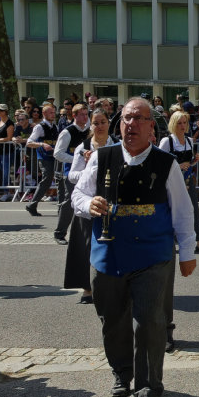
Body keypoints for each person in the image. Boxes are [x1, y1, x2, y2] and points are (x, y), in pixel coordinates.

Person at [72, 98, 197, 397]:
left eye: (139, 119)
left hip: (153, 254)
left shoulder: (165, 163)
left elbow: (183, 212)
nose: (131, 124)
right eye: (126, 118)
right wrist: (90, 205)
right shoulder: (102, 157)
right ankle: (121, 372)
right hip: (108, 252)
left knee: (150, 322)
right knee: (112, 320)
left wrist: (187, 252)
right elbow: (78, 195)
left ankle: (149, 389)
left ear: (151, 128)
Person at [64, 109, 114, 304]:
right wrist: (89, 168)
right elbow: (71, 175)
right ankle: (87, 288)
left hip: (110, 201)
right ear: (90, 125)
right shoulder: (82, 147)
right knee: (86, 245)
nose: (99, 126)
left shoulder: (116, 144)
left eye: (102, 122)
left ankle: (110, 285)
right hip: (88, 200)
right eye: (95, 123)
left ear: (108, 123)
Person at [158, 110, 199, 254]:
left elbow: (189, 164)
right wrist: (178, 166)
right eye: (179, 123)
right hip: (173, 181)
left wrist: (194, 161)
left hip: (187, 179)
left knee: (193, 210)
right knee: (173, 211)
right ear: (173, 124)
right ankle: (170, 242)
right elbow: (160, 162)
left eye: (184, 122)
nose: (182, 125)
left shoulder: (189, 141)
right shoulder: (167, 141)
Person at [52, 105, 92, 245]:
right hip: (71, 172)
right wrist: (76, 158)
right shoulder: (67, 132)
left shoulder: (90, 131)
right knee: (69, 202)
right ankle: (60, 232)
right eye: (81, 114)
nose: (85, 117)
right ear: (74, 116)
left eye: (86, 114)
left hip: (88, 171)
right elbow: (57, 153)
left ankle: (85, 234)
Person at [24, 103, 60, 217]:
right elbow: (29, 142)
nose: (53, 115)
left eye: (54, 112)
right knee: (47, 179)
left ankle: (61, 207)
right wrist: (41, 144)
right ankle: (32, 204)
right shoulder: (39, 127)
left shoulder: (55, 127)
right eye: (50, 112)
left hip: (54, 157)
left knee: (59, 180)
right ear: (44, 114)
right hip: (44, 158)